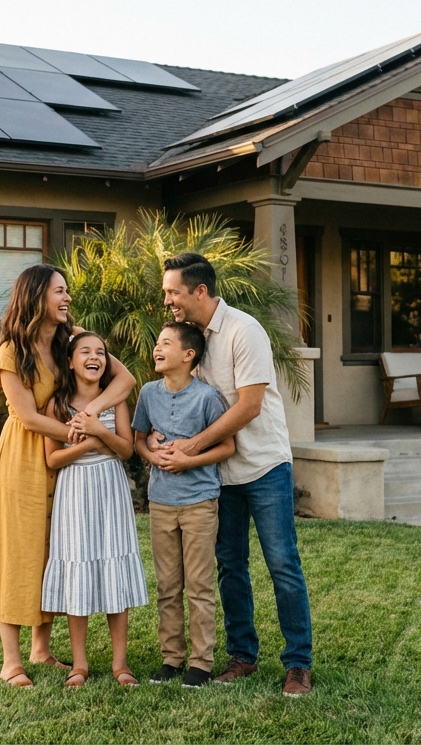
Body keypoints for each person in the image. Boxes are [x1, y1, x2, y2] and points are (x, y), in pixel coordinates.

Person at [148, 252, 314, 697]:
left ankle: (298, 664)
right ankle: (243, 655)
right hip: (218, 475)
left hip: (263, 466)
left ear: (199, 291)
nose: (169, 302)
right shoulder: (188, 341)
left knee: (282, 564)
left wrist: (192, 447)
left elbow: (249, 405)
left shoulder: (244, 330)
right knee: (230, 567)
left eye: (173, 292)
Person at [0, 265, 135, 688]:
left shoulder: (73, 337)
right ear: (35, 297)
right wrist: (81, 432)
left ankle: (41, 650)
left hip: (67, 461)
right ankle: (12, 661)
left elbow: (126, 379)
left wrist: (91, 414)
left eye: (67, 292)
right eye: (59, 292)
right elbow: (26, 415)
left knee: (52, 551)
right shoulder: (13, 350)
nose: (66, 299)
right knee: (19, 551)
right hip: (26, 459)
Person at [41, 331, 148, 688]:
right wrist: (89, 439)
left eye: (101, 352)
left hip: (110, 488)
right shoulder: (57, 404)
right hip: (74, 489)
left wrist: (96, 432)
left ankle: (121, 664)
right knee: (78, 568)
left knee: (113, 562)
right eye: (85, 351)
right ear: (69, 361)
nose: (95, 357)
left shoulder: (114, 399)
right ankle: (80, 664)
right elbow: (54, 458)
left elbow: (126, 450)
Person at [133, 322, 235, 689]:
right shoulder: (148, 393)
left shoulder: (207, 398)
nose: (157, 349)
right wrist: (153, 456)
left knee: (199, 585)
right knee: (168, 585)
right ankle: (172, 658)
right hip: (161, 503)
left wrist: (186, 461)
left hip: (199, 504)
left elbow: (227, 447)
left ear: (189, 355)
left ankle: (201, 663)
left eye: (165, 343)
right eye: (157, 343)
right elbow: (139, 441)